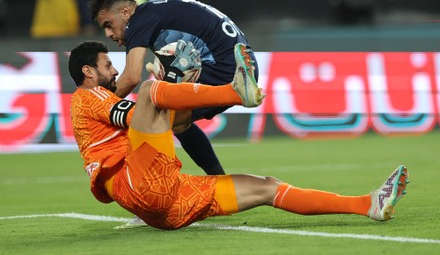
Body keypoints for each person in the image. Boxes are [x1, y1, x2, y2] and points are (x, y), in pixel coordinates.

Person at [69, 40, 409, 231]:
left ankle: (368, 205)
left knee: (266, 186)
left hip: (166, 203)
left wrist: (176, 85)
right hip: (140, 184)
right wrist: (169, 82)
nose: (115, 71)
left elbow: (171, 123)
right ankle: (235, 92)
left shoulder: (100, 99)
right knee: (147, 90)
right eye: (108, 65)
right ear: (88, 71)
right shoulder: (88, 97)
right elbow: (137, 114)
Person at [88, 0, 259, 176]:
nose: (108, 34)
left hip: (225, 68)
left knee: (158, 119)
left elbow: (131, 77)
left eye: (108, 25)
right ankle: (219, 181)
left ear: (126, 12)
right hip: (239, 62)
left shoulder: (139, 21)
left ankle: (156, 183)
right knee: (176, 121)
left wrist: (95, 106)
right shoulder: (156, 12)